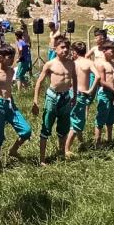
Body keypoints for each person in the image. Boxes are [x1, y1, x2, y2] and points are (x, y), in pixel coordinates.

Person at [31, 37, 76, 165]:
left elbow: (75, 79)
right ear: (55, 49)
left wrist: (75, 96)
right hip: (52, 97)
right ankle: (42, 159)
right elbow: (39, 82)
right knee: (46, 127)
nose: (65, 50)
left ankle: (61, 153)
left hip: (66, 97)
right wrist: (35, 101)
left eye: (67, 47)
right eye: (62, 47)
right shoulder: (50, 64)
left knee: (63, 128)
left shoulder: (71, 63)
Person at [0, 46, 33, 168]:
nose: (12, 60)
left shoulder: (12, 71)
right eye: (9, 57)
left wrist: (12, 103)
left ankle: (13, 150)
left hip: (10, 104)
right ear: (0, 58)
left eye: (13, 57)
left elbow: (8, 88)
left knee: (26, 131)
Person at [64, 42, 98, 157]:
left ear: (75, 52)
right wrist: (91, 90)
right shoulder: (89, 62)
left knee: (75, 119)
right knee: (77, 122)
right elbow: (97, 77)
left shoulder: (72, 63)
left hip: (71, 93)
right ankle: (66, 149)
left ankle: (81, 142)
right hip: (81, 94)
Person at [94, 42, 114, 148]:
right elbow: (102, 82)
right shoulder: (101, 64)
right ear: (104, 51)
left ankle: (109, 139)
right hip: (105, 93)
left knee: (111, 118)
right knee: (101, 117)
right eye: (112, 51)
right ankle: (97, 142)